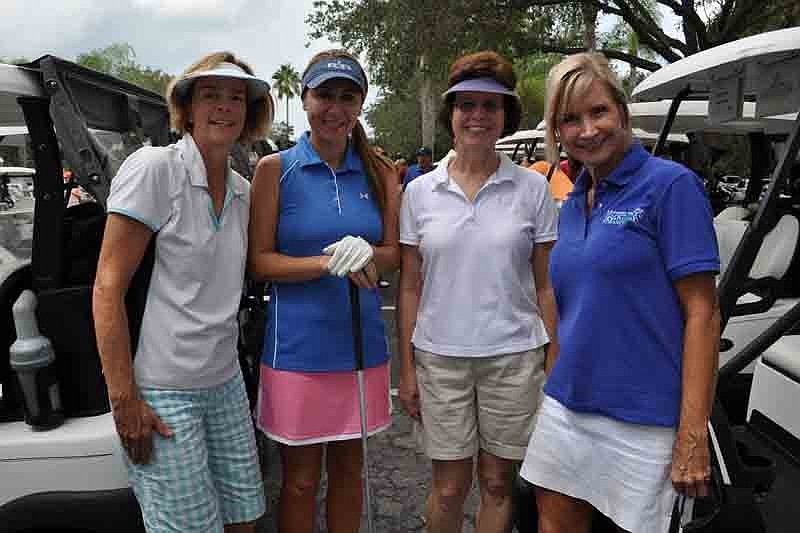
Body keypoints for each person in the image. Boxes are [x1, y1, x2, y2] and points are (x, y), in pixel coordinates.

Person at [519, 52, 720, 533]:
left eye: (598, 112)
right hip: (568, 408)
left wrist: (692, 434)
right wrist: (552, 381)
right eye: (570, 119)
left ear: (622, 113)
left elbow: (704, 314)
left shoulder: (671, 188)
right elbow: (569, 307)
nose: (586, 130)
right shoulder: (570, 204)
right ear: (558, 131)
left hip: (644, 419)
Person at [93, 52, 274, 533]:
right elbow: (107, 289)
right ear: (187, 108)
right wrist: (124, 400)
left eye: (237, 97)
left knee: (245, 519)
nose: (224, 107)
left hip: (226, 384)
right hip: (164, 391)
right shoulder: (157, 170)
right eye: (210, 94)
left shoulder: (241, 190)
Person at [398, 51, 559, 533]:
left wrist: (554, 360)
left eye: (491, 106)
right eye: (467, 105)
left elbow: (546, 284)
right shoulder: (420, 192)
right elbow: (409, 284)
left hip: (514, 357)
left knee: (496, 485)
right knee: (448, 489)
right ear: (451, 114)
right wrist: (407, 367)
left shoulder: (533, 189)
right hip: (440, 358)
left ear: (505, 116)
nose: (478, 116)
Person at [248, 49, 399, 533]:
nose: (334, 108)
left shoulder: (380, 170)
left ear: (360, 105)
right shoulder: (276, 169)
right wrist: (326, 262)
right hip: (296, 350)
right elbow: (259, 261)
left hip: (360, 347)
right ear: (306, 98)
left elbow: (395, 254)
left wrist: (370, 255)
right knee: (299, 480)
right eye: (324, 95)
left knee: (350, 472)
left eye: (347, 97)